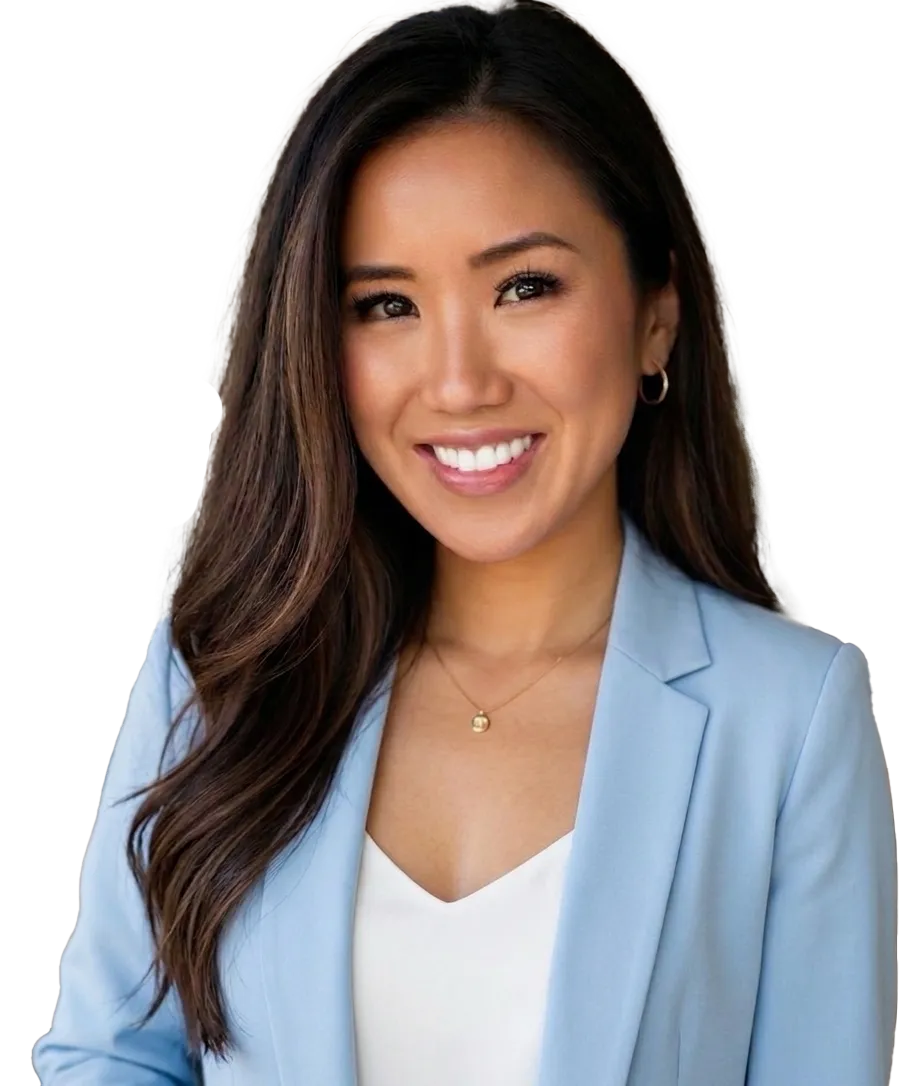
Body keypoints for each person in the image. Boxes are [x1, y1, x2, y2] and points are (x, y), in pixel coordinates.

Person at [32, 1, 897, 1083]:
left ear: (655, 314)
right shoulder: (219, 676)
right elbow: (110, 1061)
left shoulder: (786, 720)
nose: (459, 383)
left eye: (523, 287)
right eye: (387, 305)